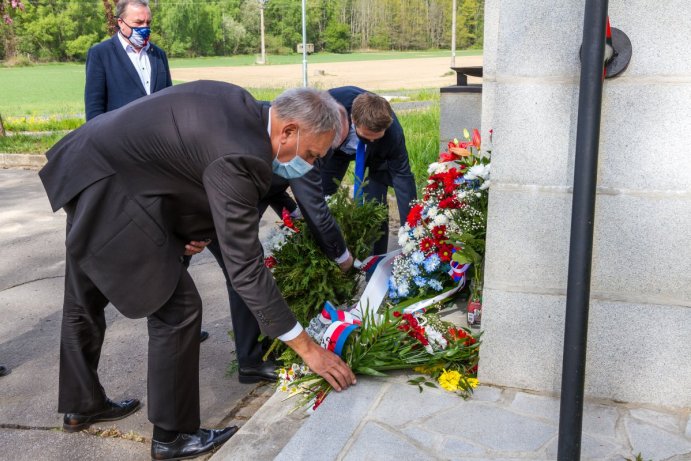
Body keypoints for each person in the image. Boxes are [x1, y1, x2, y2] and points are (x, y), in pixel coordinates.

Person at [39, 81, 356, 460]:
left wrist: (184, 229)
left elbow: (177, 159)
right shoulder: (243, 155)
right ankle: (173, 436)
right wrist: (308, 349)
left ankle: (82, 403)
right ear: (288, 130)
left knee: (83, 296)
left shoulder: (244, 106)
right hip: (113, 189)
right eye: (311, 154)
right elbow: (245, 267)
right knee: (178, 310)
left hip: (89, 164)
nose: (312, 163)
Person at [321, 86, 417, 256]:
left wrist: (411, 231)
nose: (371, 140)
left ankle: (374, 261)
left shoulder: (393, 135)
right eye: (366, 136)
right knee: (322, 193)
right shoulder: (331, 105)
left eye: (376, 136)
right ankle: (326, 247)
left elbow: (403, 178)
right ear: (353, 120)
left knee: (375, 207)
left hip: (376, 159)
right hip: (334, 149)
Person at [84, 0, 172, 121]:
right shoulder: (100, 54)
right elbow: (94, 110)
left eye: (148, 22)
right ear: (121, 22)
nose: (145, 27)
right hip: (119, 137)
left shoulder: (159, 54)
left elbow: (169, 99)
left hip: (157, 136)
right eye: (139, 22)